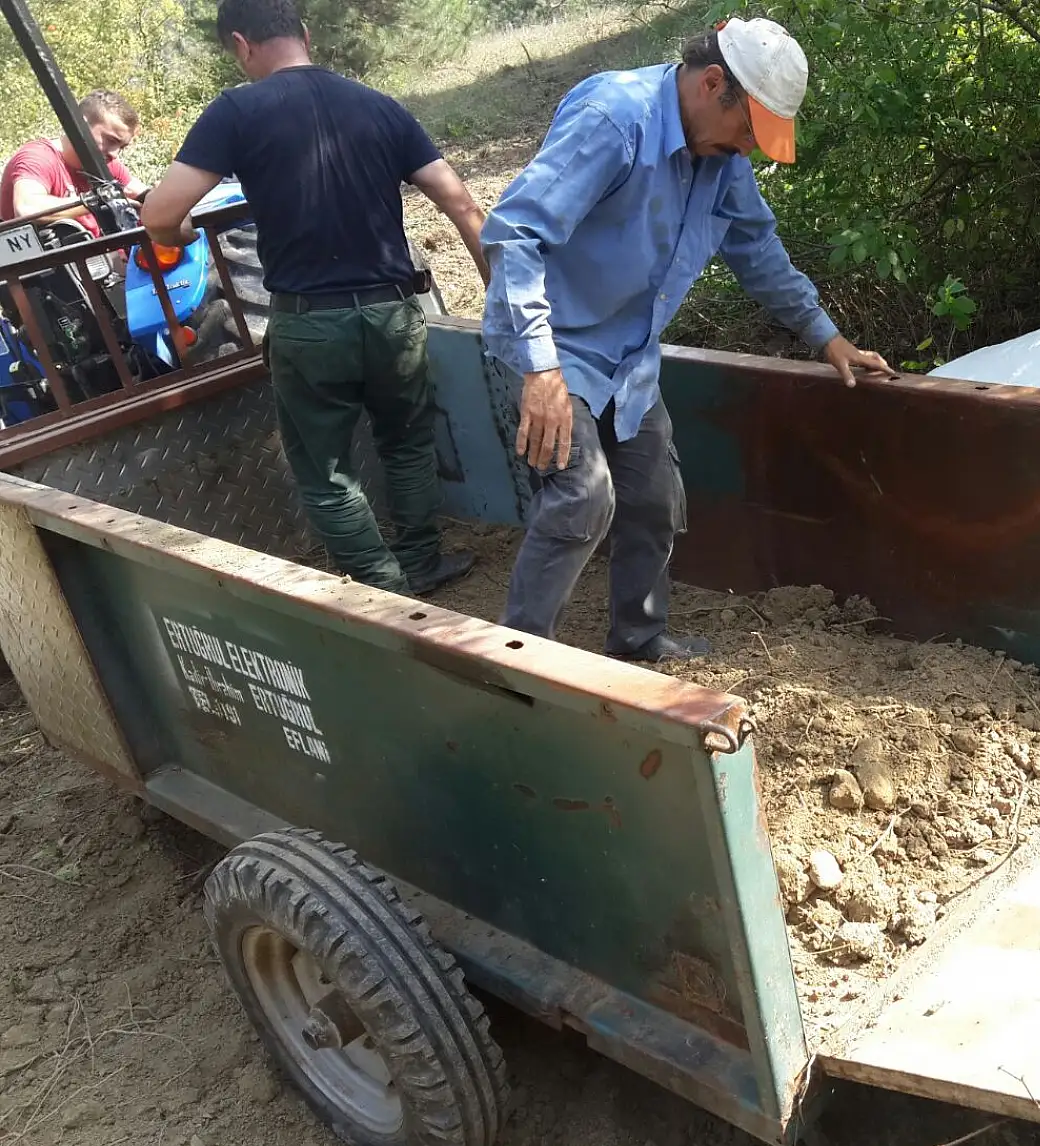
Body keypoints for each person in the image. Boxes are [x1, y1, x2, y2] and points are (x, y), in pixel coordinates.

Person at [481, 17, 890, 663]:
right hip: (554, 346)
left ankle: (638, 643)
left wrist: (826, 337)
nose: (749, 150)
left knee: (652, 498)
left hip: (628, 355)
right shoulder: (616, 119)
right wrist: (539, 369)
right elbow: (515, 234)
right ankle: (519, 660)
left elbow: (757, 248)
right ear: (711, 84)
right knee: (582, 497)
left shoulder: (720, 161)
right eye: (747, 131)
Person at [141, 0, 487, 597]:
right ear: (304, 34)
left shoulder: (235, 112)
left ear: (242, 46)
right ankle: (422, 561)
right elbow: (461, 204)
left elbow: (161, 213)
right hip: (392, 312)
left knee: (325, 470)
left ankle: (382, 590)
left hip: (311, 323)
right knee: (405, 441)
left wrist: (182, 235)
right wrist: (500, 303)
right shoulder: (379, 106)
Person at [0, 89, 148, 238]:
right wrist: (95, 200)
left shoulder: (105, 164)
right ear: (80, 125)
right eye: (111, 140)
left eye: (121, 147)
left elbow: (140, 192)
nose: (114, 154)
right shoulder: (38, 158)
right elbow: (27, 208)